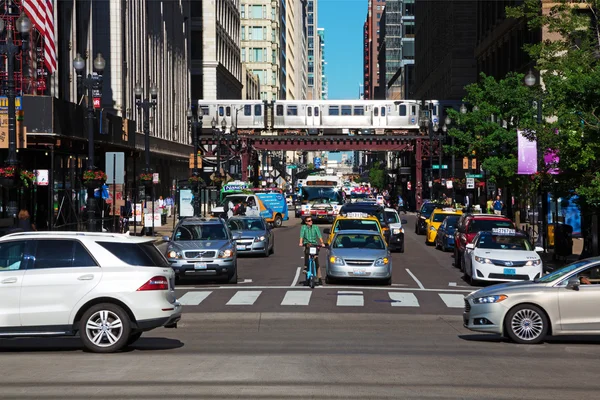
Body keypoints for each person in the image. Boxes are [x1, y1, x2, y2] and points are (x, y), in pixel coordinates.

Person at [298, 217, 325, 285]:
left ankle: (319, 277)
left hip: (314, 244)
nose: (311, 222)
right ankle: (306, 268)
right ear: (306, 222)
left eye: (311, 220)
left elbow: (319, 236)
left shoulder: (315, 227)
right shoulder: (303, 227)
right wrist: (301, 243)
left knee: (316, 260)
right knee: (307, 256)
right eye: (309, 221)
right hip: (307, 244)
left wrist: (322, 243)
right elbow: (301, 236)